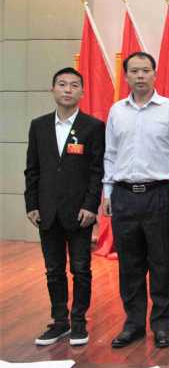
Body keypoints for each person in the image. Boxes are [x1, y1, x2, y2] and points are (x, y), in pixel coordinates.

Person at [102, 51, 169, 349]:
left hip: (159, 194)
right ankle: (134, 324)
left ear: (155, 73)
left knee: (163, 263)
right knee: (130, 264)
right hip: (123, 195)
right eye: (134, 71)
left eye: (146, 70)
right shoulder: (116, 111)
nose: (140, 76)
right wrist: (107, 192)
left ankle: (162, 326)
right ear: (126, 76)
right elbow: (110, 154)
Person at [24, 67, 105, 347]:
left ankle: (79, 321)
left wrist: (91, 206)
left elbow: (97, 170)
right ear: (53, 89)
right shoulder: (38, 126)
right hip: (46, 211)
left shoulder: (93, 127)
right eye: (62, 84)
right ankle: (60, 322)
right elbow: (32, 169)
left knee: (81, 269)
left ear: (82, 92)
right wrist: (31, 204)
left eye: (74, 85)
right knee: (53, 270)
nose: (67, 89)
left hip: (80, 212)